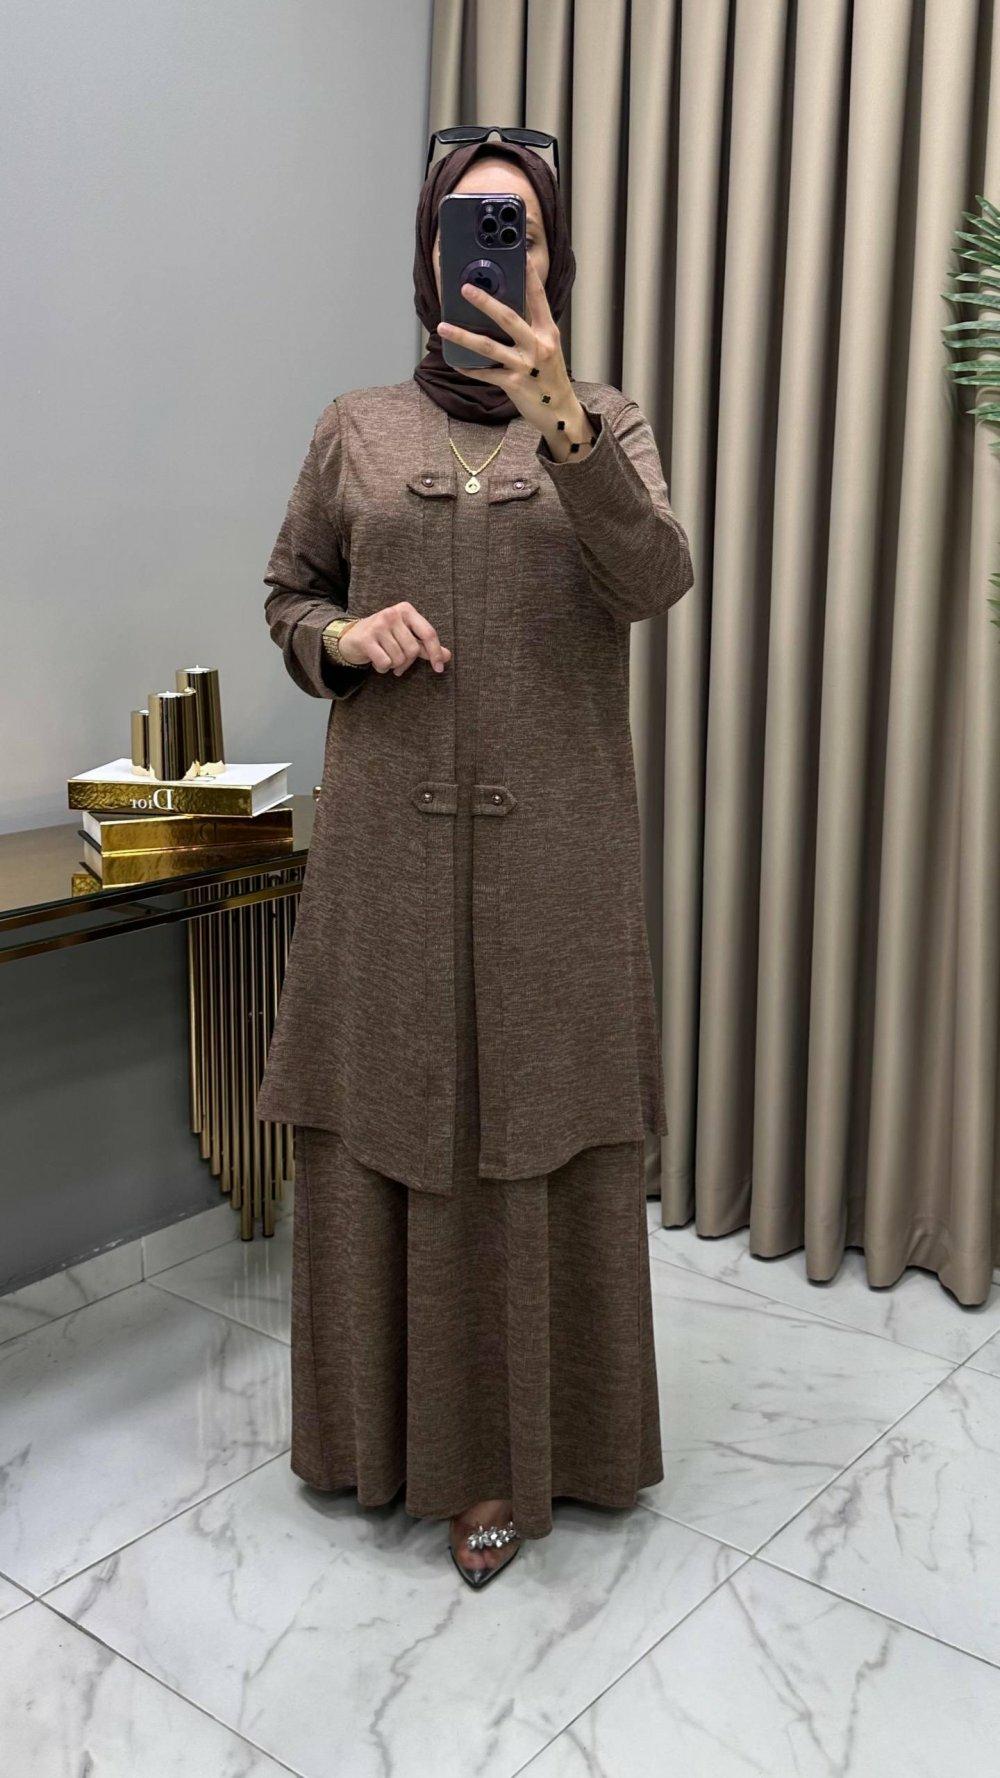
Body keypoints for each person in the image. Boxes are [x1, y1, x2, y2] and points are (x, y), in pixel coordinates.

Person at [255, 133, 695, 1589]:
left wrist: (558, 410)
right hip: (386, 849)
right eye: (467, 224)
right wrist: (344, 635)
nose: (493, 246)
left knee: (537, 1129)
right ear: (427, 254)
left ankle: (516, 1456)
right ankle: (376, 1437)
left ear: (553, 256)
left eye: (518, 225)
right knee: (390, 1119)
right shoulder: (357, 427)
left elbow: (654, 577)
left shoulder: (606, 422)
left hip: (553, 853)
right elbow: (290, 593)